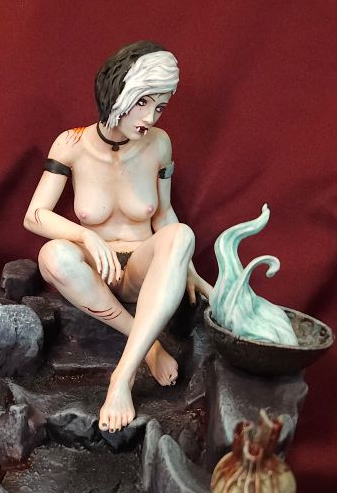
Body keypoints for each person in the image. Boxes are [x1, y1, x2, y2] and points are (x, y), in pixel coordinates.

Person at [23, 40, 213, 433]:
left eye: (160, 107)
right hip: (96, 271)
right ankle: (151, 347)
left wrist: (188, 267)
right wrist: (87, 237)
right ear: (117, 90)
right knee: (52, 255)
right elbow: (34, 215)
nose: (150, 117)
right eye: (143, 102)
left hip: (141, 268)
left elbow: (163, 214)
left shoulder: (159, 144)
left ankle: (122, 378)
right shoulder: (71, 144)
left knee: (181, 234)